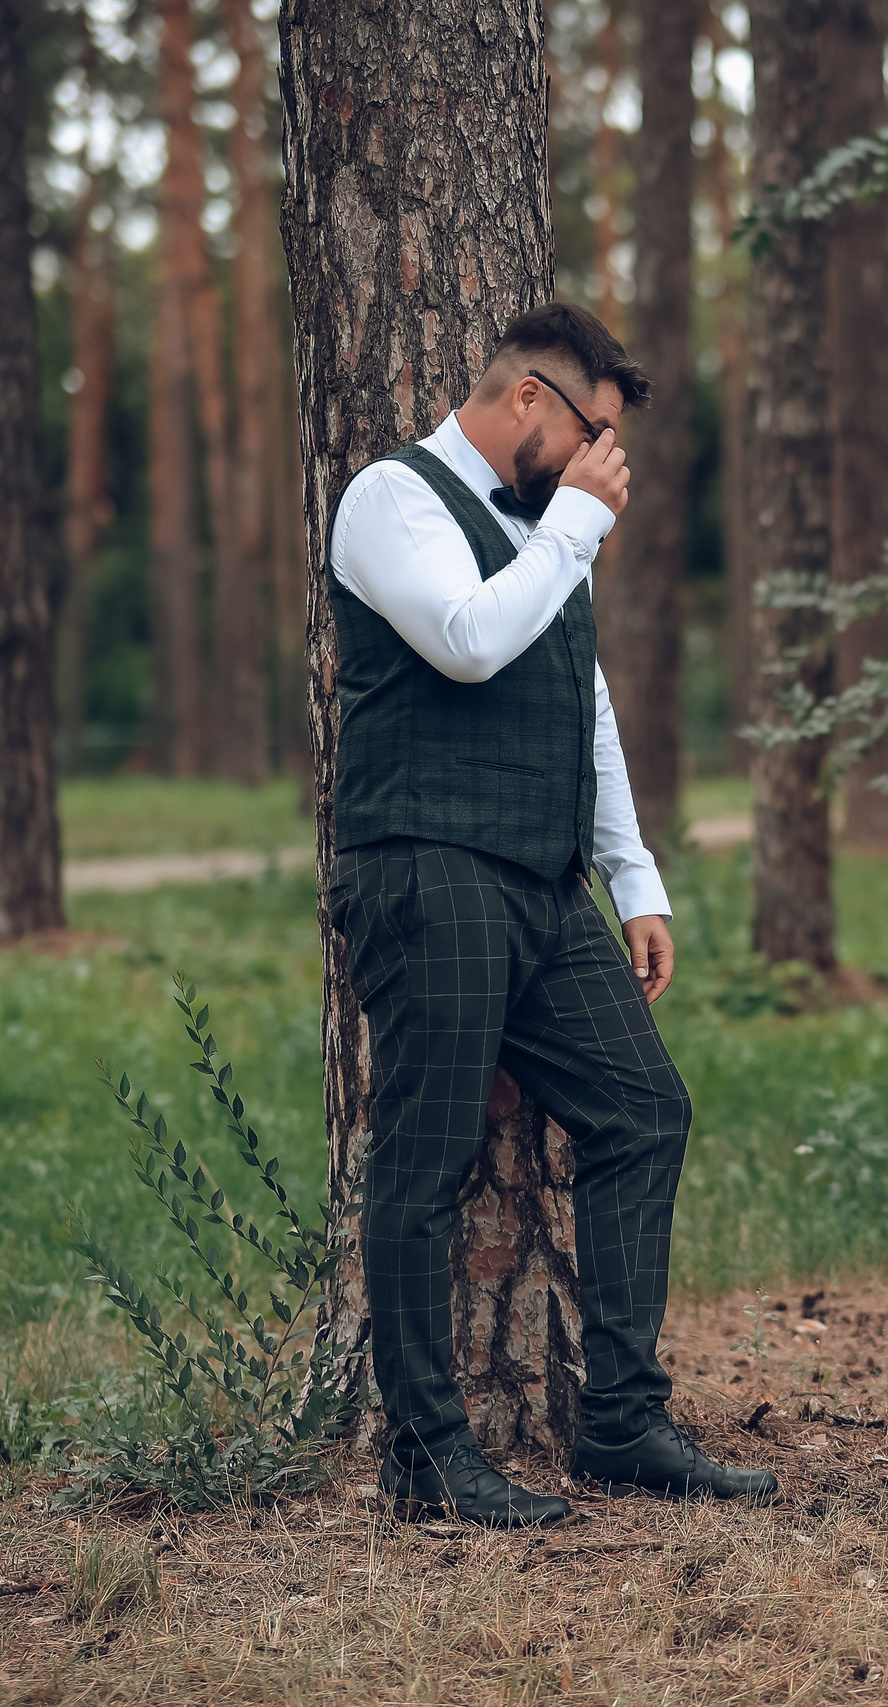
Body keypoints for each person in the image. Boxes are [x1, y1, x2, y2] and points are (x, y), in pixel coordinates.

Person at [326, 302, 775, 1526]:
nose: (598, 461)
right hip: (426, 867)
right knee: (422, 1162)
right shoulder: (391, 500)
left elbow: (582, 703)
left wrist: (633, 878)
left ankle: (620, 1424)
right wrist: (576, 523)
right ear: (529, 396)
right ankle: (426, 1458)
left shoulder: (545, 533)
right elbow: (467, 645)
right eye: (592, 431)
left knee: (644, 1110)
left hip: (541, 881)